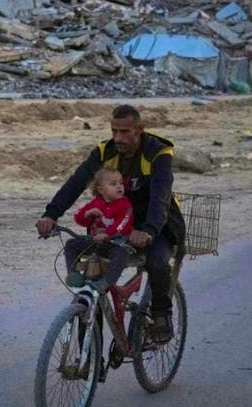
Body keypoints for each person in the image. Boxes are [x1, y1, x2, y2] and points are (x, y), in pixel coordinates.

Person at [36, 104, 185, 344]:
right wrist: (51, 214)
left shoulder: (157, 153)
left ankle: (161, 315)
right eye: (114, 131)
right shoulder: (105, 152)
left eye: (125, 132)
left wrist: (148, 230)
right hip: (115, 226)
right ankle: (88, 345)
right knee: (91, 268)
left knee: (157, 262)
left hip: (158, 224)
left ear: (140, 130)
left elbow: (161, 196)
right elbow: (76, 182)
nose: (118, 138)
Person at [62, 167, 134, 291]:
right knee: (71, 245)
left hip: (115, 244)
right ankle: (74, 274)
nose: (119, 186)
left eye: (121, 183)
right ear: (101, 189)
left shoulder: (125, 204)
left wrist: (107, 234)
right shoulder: (96, 203)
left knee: (122, 254)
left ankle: (106, 282)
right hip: (94, 242)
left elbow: (123, 223)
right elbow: (79, 219)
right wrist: (87, 214)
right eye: (113, 184)